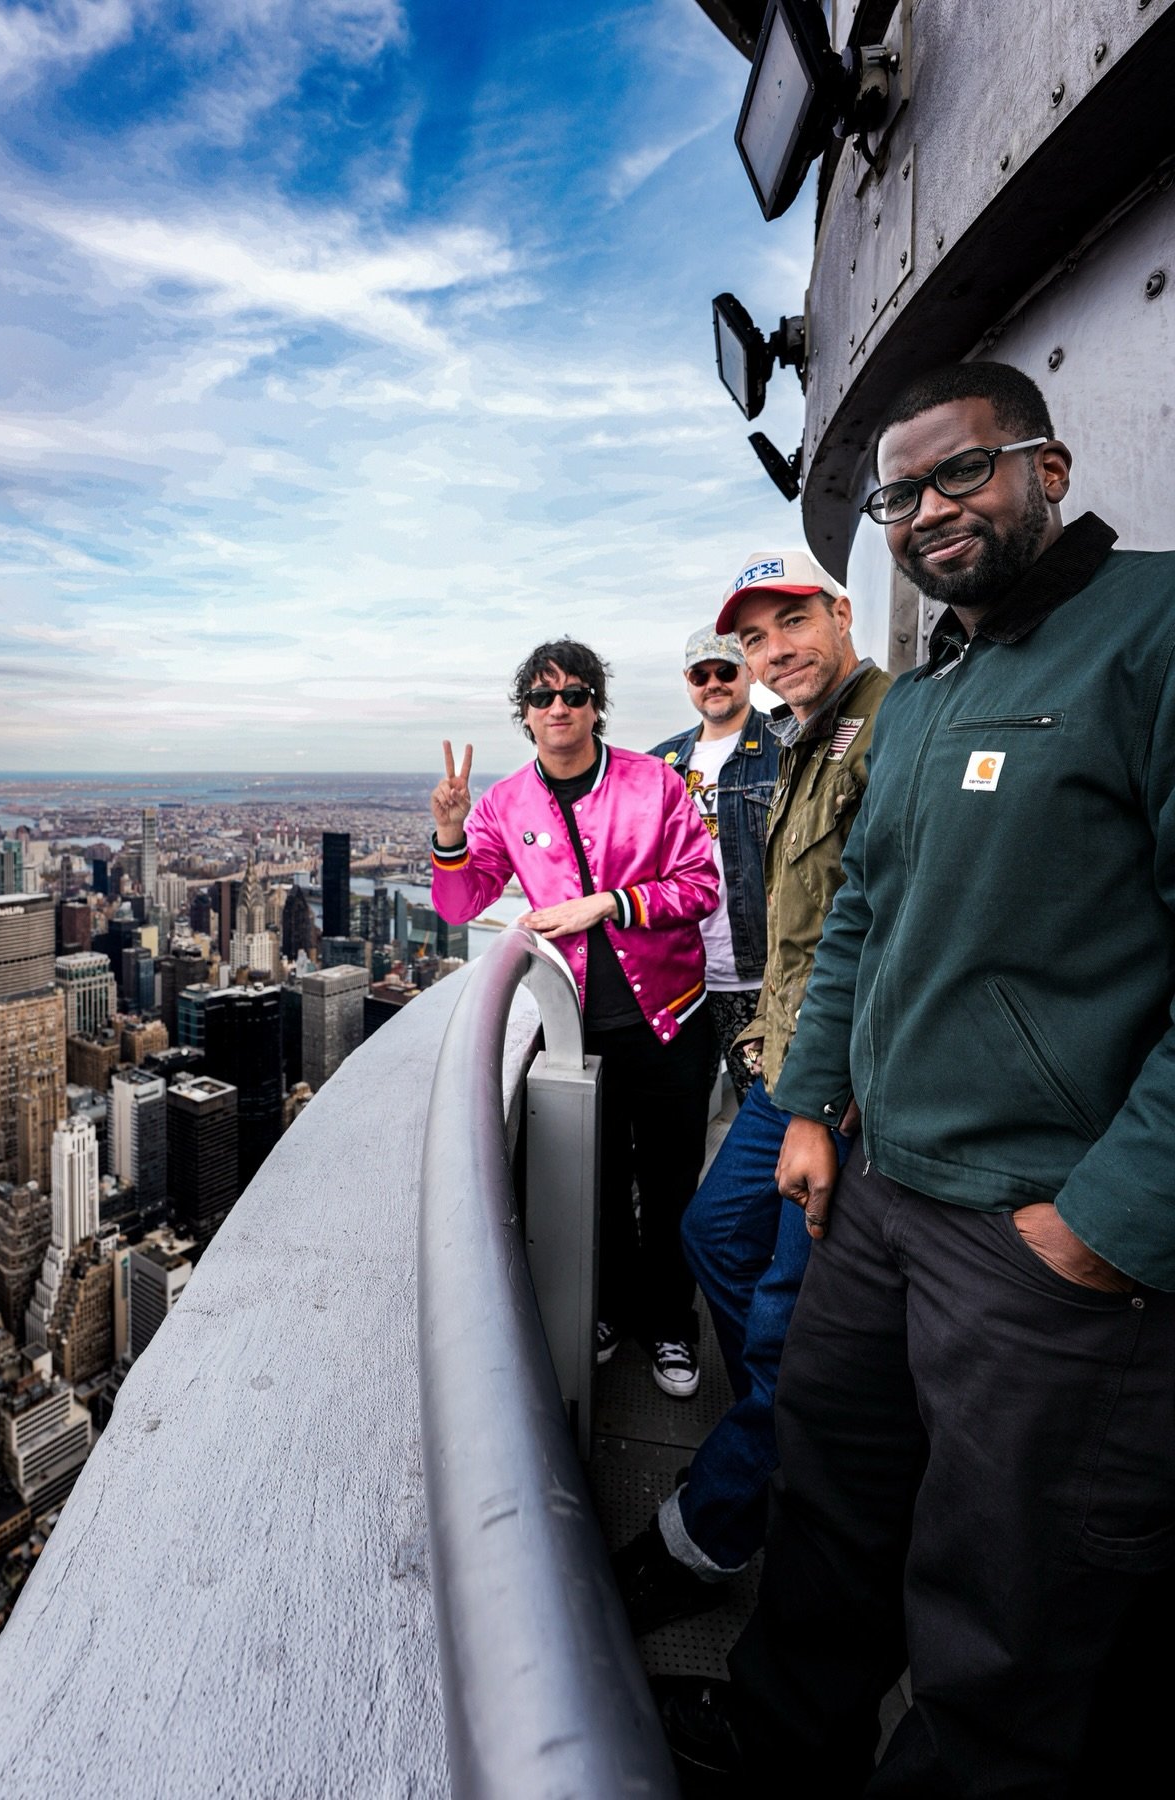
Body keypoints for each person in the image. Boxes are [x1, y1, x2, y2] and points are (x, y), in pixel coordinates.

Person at [661, 360, 1175, 1794]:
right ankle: (781, 1753)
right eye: (901, 493)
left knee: (1006, 1607)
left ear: (1049, 468)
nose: (932, 510)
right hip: (881, 1196)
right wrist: (816, 1107)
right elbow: (863, 921)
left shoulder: (1154, 635)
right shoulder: (941, 689)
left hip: (1041, 1237)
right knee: (831, 1506)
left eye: (966, 472)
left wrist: (1108, 1223)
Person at [614, 551, 890, 1626]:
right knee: (714, 1236)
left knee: (785, 1317)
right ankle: (778, 1416)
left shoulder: (883, 729)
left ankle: (725, 1507)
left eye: (790, 628)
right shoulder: (788, 743)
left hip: (836, 1078)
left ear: (841, 614)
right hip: (780, 1044)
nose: (767, 657)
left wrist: (819, 1092)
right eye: (749, 642)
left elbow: (867, 922)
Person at [430, 639, 718, 1397]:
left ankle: (672, 1327)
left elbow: (701, 886)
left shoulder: (654, 783)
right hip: (575, 1032)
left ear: (597, 705)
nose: (559, 707)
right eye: (542, 695)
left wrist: (613, 903)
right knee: (598, 1184)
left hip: (670, 1022)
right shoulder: (504, 804)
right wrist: (453, 837)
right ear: (524, 713)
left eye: (576, 693)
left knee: (669, 1185)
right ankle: (613, 1310)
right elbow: (461, 902)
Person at [648, 627, 779, 1111]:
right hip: (683, 978)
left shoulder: (784, 748)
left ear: (747, 674)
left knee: (764, 1114)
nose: (713, 683)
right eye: (700, 675)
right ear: (688, 682)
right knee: (675, 1113)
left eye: (725, 671)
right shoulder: (659, 764)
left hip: (759, 978)